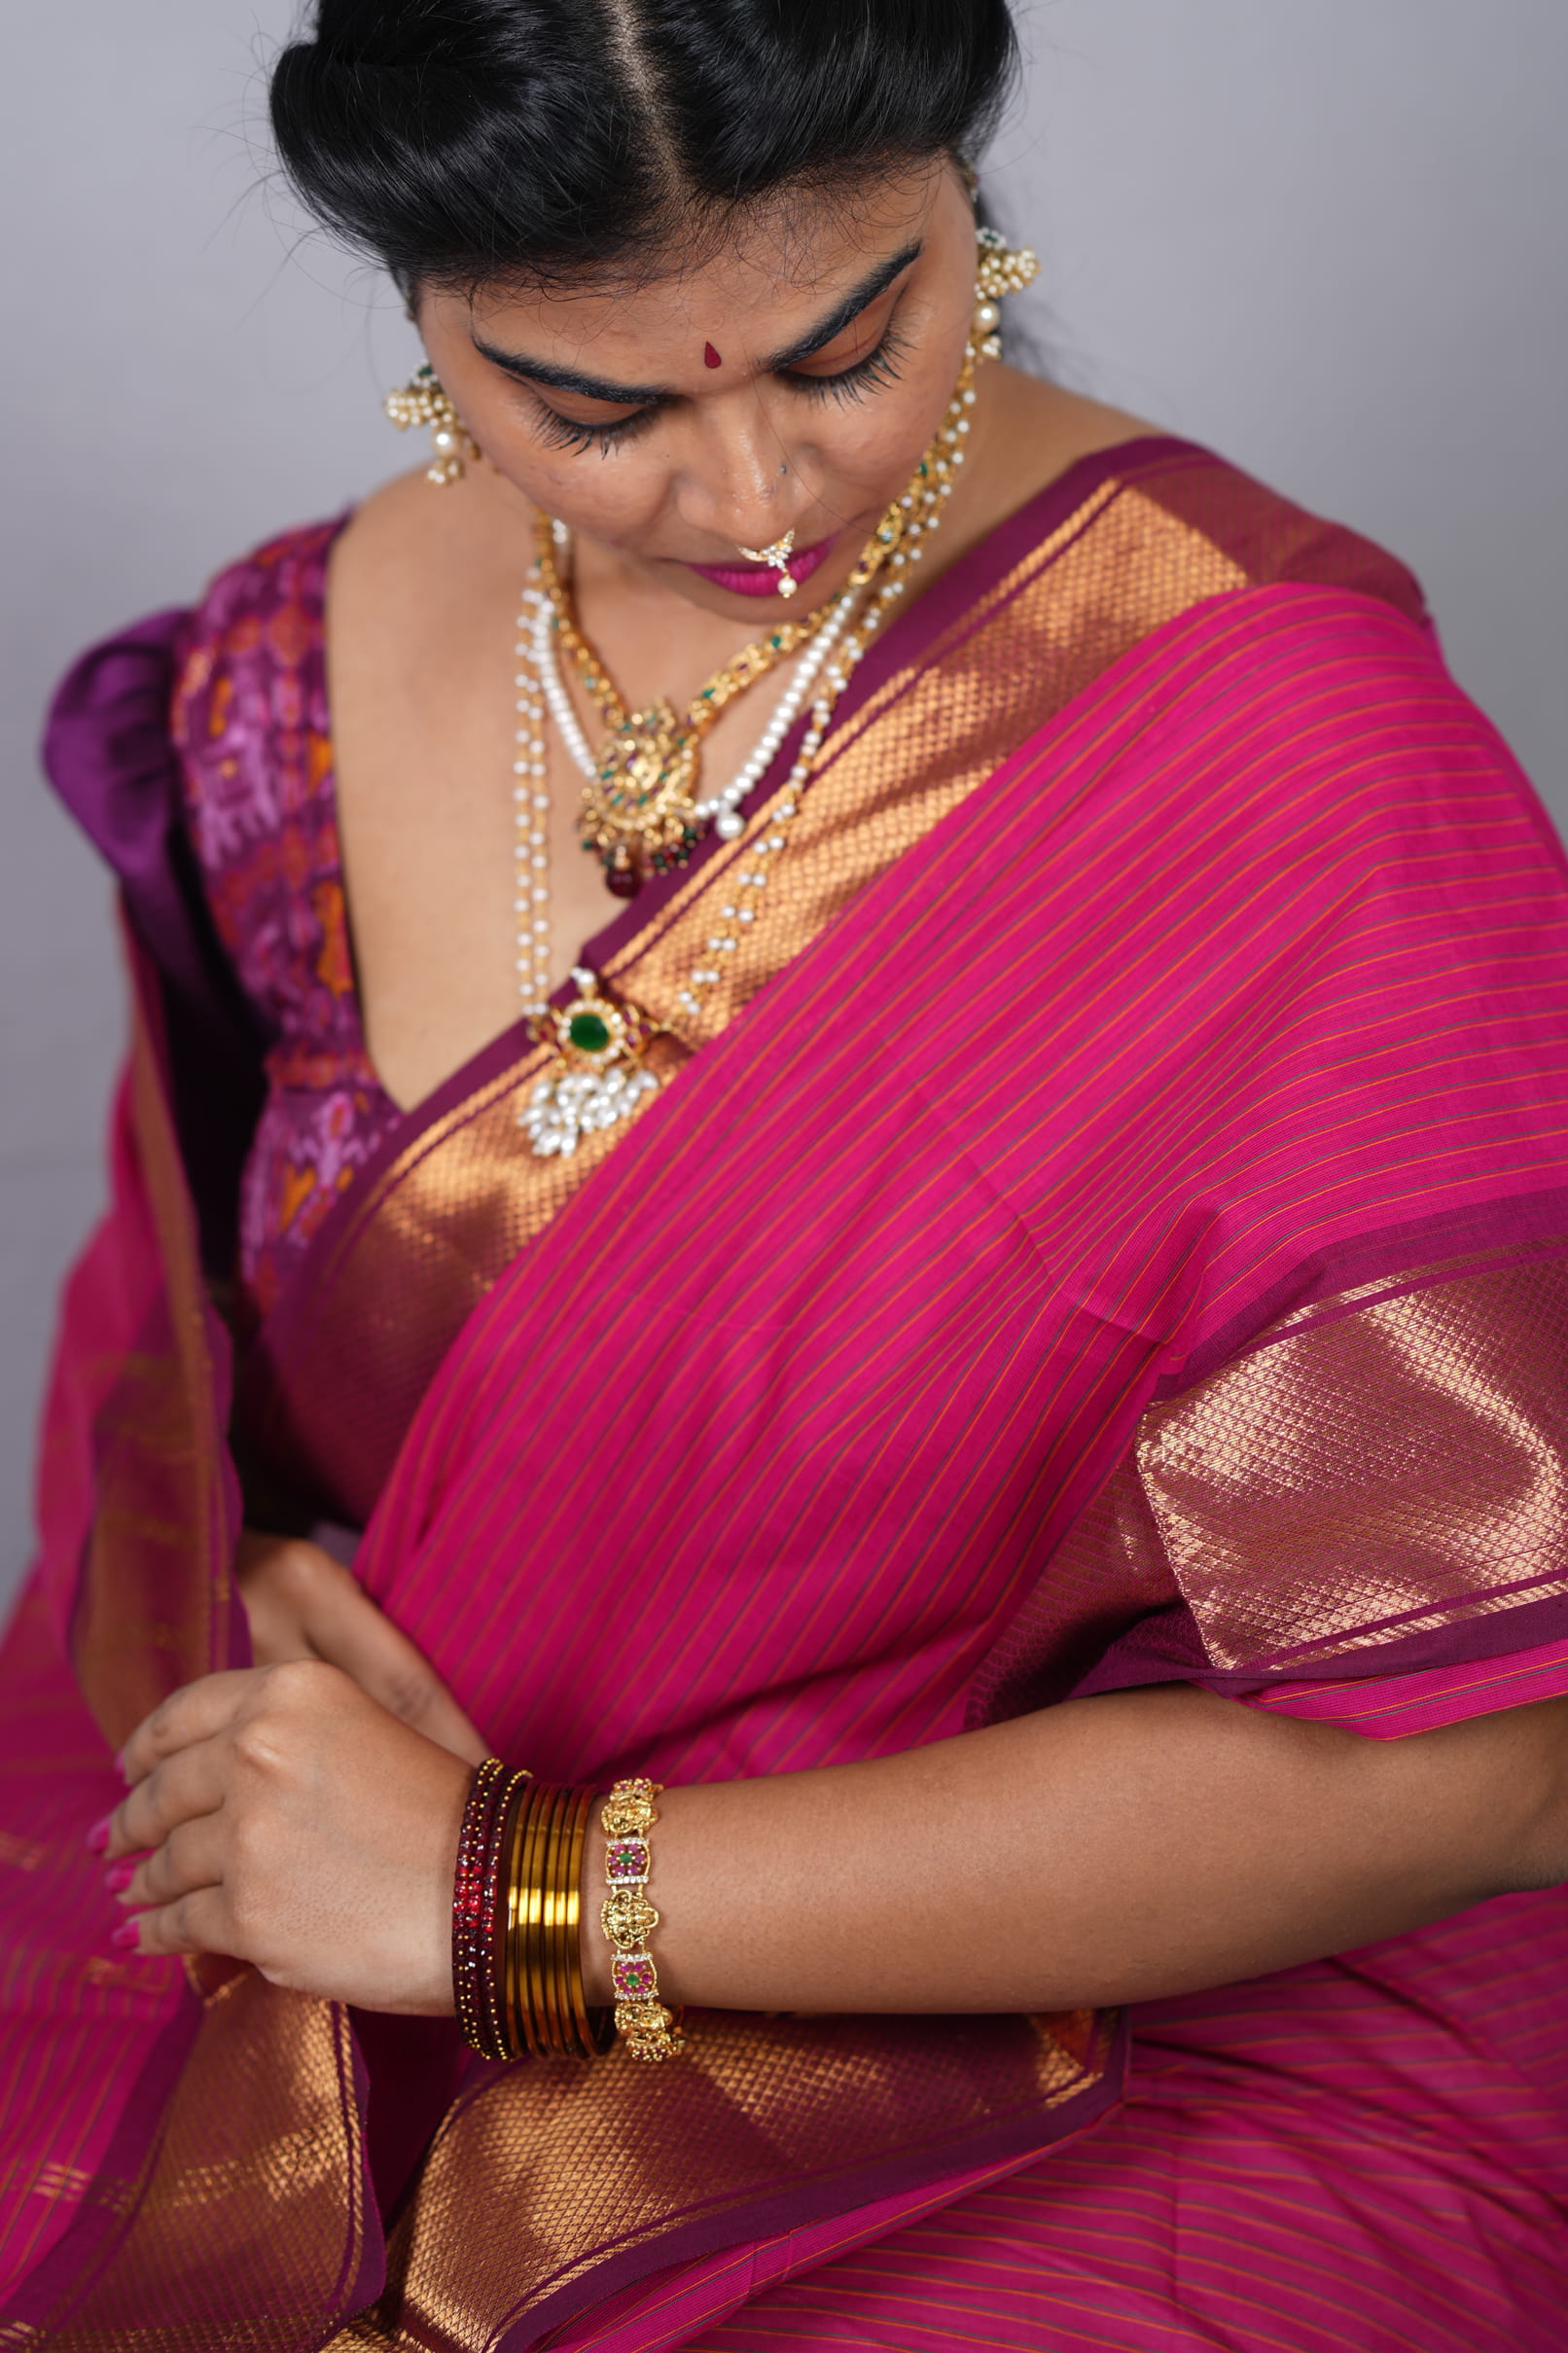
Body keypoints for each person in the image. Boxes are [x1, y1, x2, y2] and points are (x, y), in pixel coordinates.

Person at [3, 1, 1567, 2344]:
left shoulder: (1278, 743)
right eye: (595, 406)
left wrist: (510, 1895)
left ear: (958, 197)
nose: (751, 491)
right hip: (348, 1903)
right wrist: (248, 1615)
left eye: (852, 346)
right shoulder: (270, 689)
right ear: (422, 308)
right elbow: (180, 1404)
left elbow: (1486, 1772)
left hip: (1160, 2024)